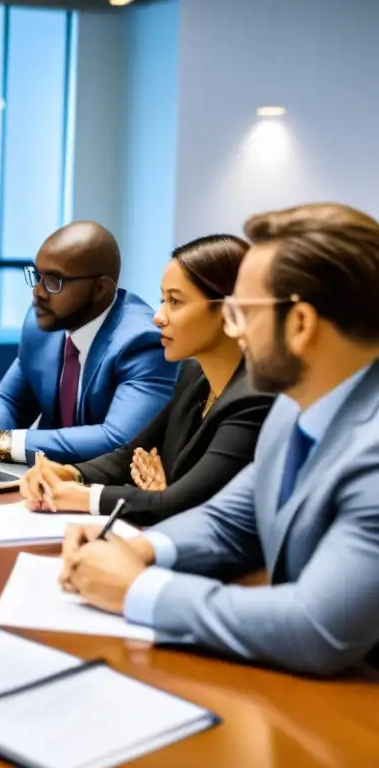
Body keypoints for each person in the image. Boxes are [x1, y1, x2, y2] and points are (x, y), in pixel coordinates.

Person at [58, 202, 379, 677]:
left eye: (242, 312)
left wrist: (136, 589)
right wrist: (137, 550)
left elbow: (315, 629)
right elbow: (230, 519)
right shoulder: (294, 408)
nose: (235, 331)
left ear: (301, 325)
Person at [20, 235, 275, 525]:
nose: (158, 317)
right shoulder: (194, 374)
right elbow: (129, 456)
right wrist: (70, 473)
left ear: (230, 311)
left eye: (175, 302)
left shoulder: (256, 398)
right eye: (162, 299)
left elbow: (180, 502)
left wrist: (77, 496)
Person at [0, 221, 178, 465]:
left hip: (111, 491)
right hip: (44, 482)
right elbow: (11, 401)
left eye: (54, 281)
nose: (37, 292)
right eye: (36, 276)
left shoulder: (142, 342)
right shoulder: (42, 325)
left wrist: (4, 443)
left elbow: (119, 440)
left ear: (100, 289)